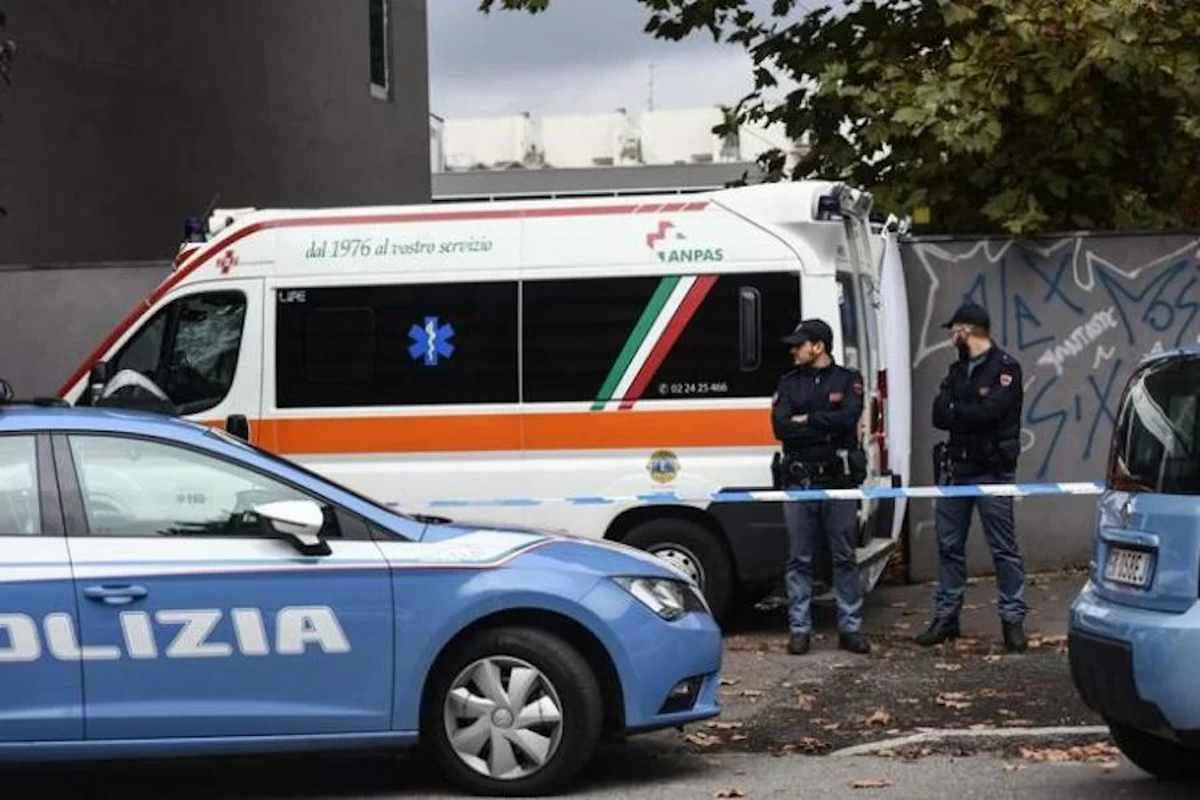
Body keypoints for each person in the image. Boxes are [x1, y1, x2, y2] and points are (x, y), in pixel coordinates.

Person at [916, 302, 1029, 653]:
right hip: (957, 471)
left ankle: (1012, 621)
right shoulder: (956, 370)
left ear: (967, 331)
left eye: (955, 331)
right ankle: (946, 619)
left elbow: (991, 413)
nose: (952, 337)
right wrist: (965, 413)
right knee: (949, 547)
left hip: (992, 471)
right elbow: (938, 414)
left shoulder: (1006, 368)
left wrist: (958, 412)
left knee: (1003, 550)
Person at [772, 319, 870, 656]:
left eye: (800, 345)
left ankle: (851, 628)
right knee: (799, 558)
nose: (793, 350)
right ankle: (800, 630)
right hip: (799, 481)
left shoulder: (848, 379)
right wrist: (821, 422)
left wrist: (808, 420)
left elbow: (848, 418)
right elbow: (781, 427)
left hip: (838, 481)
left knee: (844, 556)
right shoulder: (788, 383)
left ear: (818, 346)